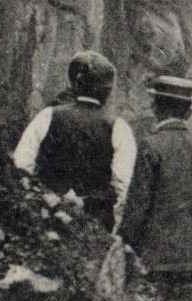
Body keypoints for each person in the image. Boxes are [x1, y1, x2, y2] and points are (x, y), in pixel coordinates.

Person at [119, 76, 192, 301]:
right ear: (188, 111)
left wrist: (125, 248)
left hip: (154, 263)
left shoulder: (150, 145)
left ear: (156, 106)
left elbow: (137, 209)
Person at [12, 51, 136, 230]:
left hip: (46, 220)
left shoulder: (48, 116)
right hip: (95, 226)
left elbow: (22, 165)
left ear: (75, 84)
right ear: (107, 91)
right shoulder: (119, 127)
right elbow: (123, 187)